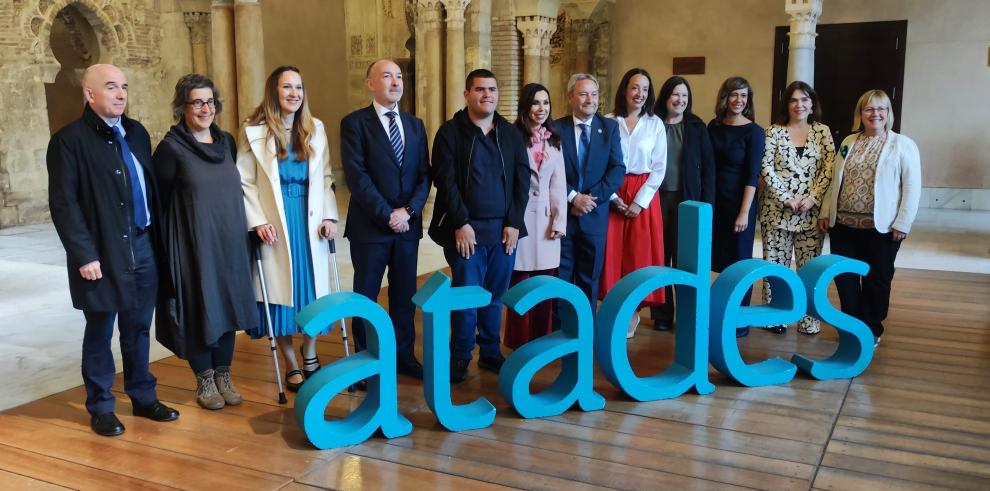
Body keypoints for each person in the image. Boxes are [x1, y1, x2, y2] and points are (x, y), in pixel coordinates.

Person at [47, 64, 179, 436]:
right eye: (110, 87)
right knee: (101, 328)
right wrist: (84, 255)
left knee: (137, 328)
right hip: (102, 252)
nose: (120, 93)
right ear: (90, 94)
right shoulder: (69, 141)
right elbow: (64, 204)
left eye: (123, 86)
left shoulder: (135, 133)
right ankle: (102, 405)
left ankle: (142, 396)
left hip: (143, 244)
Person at [152, 74, 257, 409]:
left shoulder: (226, 141)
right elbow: (160, 200)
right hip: (193, 245)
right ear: (183, 106)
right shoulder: (170, 149)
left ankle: (224, 375)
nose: (205, 108)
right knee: (200, 308)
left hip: (229, 242)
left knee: (227, 306)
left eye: (210, 101)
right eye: (197, 102)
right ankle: (205, 381)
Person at [237, 65, 339, 392]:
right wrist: (257, 221)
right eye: (286, 87)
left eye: (298, 87)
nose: (294, 93)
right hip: (275, 222)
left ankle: (310, 353)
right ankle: (290, 362)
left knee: (310, 292)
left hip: (309, 218)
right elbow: (245, 182)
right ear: (274, 92)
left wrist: (329, 217)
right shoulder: (254, 131)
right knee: (282, 297)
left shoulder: (315, 128)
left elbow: (325, 177)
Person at [428, 69, 530, 383]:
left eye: (492, 90)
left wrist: (514, 222)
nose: (487, 95)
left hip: (503, 232)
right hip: (466, 232)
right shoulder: (450, 133)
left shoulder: (510, 133)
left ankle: (489, 352)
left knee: (494, 295)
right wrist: (461, 222)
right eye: (480, 90)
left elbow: (522, 181)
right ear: (467, 94)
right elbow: (445, 182)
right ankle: (460, 355)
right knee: (466, 295)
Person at [340, 59, 430, 380]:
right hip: (371, 229)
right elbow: (357, 176)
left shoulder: (416, 125)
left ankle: (403, 355)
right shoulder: (354, 124)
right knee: (366, 295)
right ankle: (364, 363)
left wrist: (409, 211)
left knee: (404, 296)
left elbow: (424, 176)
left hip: (407, 228)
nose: (395, 81)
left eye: (399, 76)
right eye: (387, 76)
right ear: (370, 84)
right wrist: (387, 214)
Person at [818, 89, 920, 347]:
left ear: (888, 114)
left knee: (878, 279)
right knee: (846, 278)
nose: (875, 114)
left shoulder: (903, 144)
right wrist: (825, 212)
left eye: (880, 109)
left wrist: (903, 222)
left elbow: (912, 187)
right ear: (860, 114)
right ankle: (852, 326)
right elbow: (834, 183)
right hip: (843, 226)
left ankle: (871, 329)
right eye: (869, 109)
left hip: (883, 228)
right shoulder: (848, 142)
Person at [759, 81, 835, 335]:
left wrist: (813, 197)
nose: (799, 105)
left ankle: (809, 318)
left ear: (812, 104)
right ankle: (775, 316)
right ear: (786, 104)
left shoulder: (822, 132)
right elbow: (766, 167)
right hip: (777, 211)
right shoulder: (773, 132)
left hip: (811, 214)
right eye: (793, 100)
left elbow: (829, 168)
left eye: (804, 99)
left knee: (809, 267)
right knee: (776, 265)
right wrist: (785, 197)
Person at [601, 68, 667, 339]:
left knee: (638, 256)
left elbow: (659, 167)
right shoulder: (606, 121)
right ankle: (610, 308)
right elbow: (599, 163)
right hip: (612, 191)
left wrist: (639, 202)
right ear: (624, 90)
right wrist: (613, 197)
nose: (639, 94)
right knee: (611, 255)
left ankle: (633, 310)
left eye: (644, 89)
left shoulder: (655, 124)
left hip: (644, 195)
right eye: (634, 87)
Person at [555, 73, 626, 318]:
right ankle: (560, 328)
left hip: (595, 214)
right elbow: (548, 173)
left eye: (594, 94)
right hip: (562, 214)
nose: (590, 99)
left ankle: (585, 327)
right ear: (570, 97)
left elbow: (617, 168)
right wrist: (573, 197)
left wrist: (590, 199)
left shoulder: (609, 128)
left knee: (589, 275)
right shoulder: (555, 129)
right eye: (584, 93)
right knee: (561, 274)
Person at [503, 83, 567, 350]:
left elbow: (558, 184)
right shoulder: (511, 137)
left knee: (545, 283)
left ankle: (542, 337)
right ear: (525, 106)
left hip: (546, 221)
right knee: (520, 282)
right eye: (536, 103)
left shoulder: (554, 138)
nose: (542, 109)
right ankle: (518, 340)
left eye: (546, 103)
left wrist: (559, 220)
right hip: (520, 219)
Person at [650, 76, 716, 331]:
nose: (680, 100)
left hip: (687, 200)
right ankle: (662, 315)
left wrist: (707, 205)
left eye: (685, 96)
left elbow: (709, 168)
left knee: (685, 259)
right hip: (655, 199)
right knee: (659, 258)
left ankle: (688, 314)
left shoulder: (697, 127)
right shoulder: (652, 124)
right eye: (675, 95)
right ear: (666, 97)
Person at [708, 76, 765, 337]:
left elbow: (752, 174)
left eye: (743, 95)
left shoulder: (754, 131)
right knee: (716, 262)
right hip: (715, 203)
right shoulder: (714, 126)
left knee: (739, 262)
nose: (738, 100)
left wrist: (744, 211)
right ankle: (717, 314)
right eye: (734, 94)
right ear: (725, 97)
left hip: (740, 204)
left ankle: (739, 320)